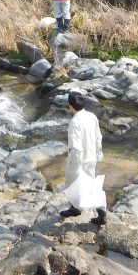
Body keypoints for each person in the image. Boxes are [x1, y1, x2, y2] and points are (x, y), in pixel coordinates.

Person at [60, 92, 106, 226]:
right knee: (91, 184)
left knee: (73, 184)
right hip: (91, 157)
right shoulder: (92, 116)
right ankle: (97, 212)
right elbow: (99, 136)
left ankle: (78, 209)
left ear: (70, 106)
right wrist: (99, 152)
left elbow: (75, 147)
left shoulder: (75, 122)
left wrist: (75, 166)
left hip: (79, 160)